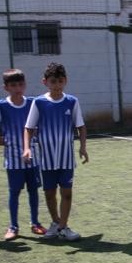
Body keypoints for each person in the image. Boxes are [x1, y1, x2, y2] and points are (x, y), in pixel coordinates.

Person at [22, 62, 89, 241]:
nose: (57, 86)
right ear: (45, 82)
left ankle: (63, 227)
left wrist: (83, 147)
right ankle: (55, 223)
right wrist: (27, 148)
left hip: (66, 158)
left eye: (60, 81)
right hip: (46, 159)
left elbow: (81, 127)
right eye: (53, 82)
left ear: (65, 81)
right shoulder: (39, 102)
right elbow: (28, 128)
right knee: (49, 193)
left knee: (66, 193)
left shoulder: (72, 101)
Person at [0, 69, 47, 241]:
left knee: (34, 191)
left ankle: (35, 223)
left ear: (24, 85)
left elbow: (41, 120)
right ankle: (13, 227)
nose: (17, 88)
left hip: (33, 157)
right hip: (13, 159)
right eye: (13, 85)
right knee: (15, 192)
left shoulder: (32, 103)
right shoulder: (1, 105)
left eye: (20, 84)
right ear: (6, 87)